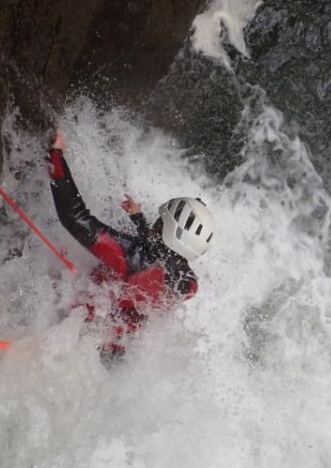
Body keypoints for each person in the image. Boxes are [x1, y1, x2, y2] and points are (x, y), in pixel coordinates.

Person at [47, 130, 215, 360]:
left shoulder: (128, 257)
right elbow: (162, 256)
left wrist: (55, 154)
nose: (155, 224)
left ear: (168, 231)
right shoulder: (182, 282)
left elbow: (74, 217)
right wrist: (139, 220)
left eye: (160, 223)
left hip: (75, 332)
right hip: (117, 353)